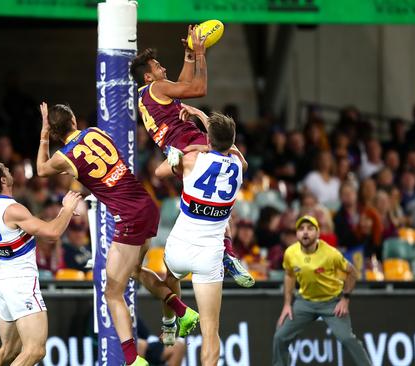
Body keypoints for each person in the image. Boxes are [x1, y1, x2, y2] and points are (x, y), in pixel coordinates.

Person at [36, 102, 198, 366]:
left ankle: (134, 360)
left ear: (54, 133)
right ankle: (181, 309)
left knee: (112, 293)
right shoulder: (97, 132)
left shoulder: (64, 156)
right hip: (147, 205)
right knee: (134, 270)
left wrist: (44, 135)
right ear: (74, 120)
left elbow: (41, 169)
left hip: (128, 217)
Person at [130, 27, 254, 288]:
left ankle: (171, 315)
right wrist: (200, 53)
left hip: (176, 151)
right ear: (148, 75)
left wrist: (188, 55)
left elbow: (182, 86)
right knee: (234, 170)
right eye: (157, 65)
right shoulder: (158, 87)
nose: (163, 67)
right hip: (191, 143)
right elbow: (198, 88)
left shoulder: (147, 95)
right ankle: (228, 253)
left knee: (205, 197)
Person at [155, 110, 246, 365]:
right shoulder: (240, 164)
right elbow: (227, 146)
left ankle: (170, 323)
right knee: (210, 331)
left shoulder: (193, 158)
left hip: (180, 247)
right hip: (209, 255)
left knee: (170, 278)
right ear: (233, 140)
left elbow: (160, 172)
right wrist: (202, 116)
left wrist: (189, 147)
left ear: (208, 138)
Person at [0, 159, 83, 366]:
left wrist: (62, 214)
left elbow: (34, 227)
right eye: (5, 168)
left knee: (8, 351)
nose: (8, 168)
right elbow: (52, 234)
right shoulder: (13, 209)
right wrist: (68, 208)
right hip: (21, 283)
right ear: (3, 179)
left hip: (5, 281)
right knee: (34, 350)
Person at [272, 215, 371, 366]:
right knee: (280, 337)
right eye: (301, 229)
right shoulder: (290, 253)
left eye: (310, 229)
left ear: (318, 233)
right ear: (297, 233)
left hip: (331, 302)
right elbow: (289, 275)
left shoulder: (331, 254)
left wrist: (345, 298)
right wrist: (287, 304)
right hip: (304, 302)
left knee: (347, 339)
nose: (305, 232)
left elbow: (352, 273)